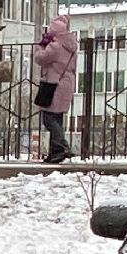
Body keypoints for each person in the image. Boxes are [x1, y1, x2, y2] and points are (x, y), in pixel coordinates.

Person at [33, 14, 79, 163]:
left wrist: (41, 45)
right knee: (57, 117)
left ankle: (61, 147)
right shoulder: (70, 45)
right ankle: (55, 152)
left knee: (48, 118)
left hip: (54, 84)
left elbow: (40, 58)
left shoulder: (55, 46)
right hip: (66, 83)